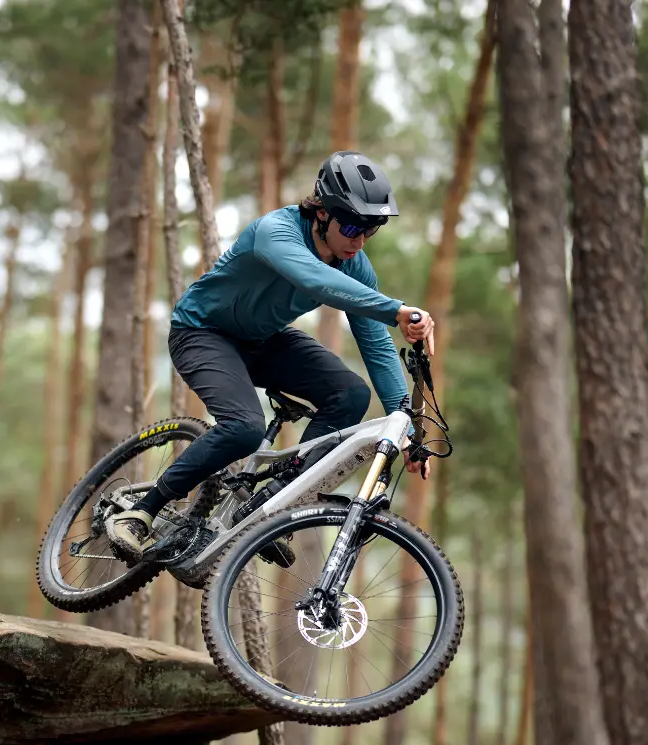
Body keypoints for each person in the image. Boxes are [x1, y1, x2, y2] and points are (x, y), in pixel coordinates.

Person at [106, 150, 436, 558]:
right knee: (244, 427)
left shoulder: (356, 264)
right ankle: (141, 513)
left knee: (350, 396)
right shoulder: (275, 231)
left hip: (263, 339)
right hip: (202, 333)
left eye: (372, 230)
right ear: (322, 213)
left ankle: (272, 509)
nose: (359, 240)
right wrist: (396, 309)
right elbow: (314, 279)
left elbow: (377, 345)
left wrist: (407, 429)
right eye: (351, 225)